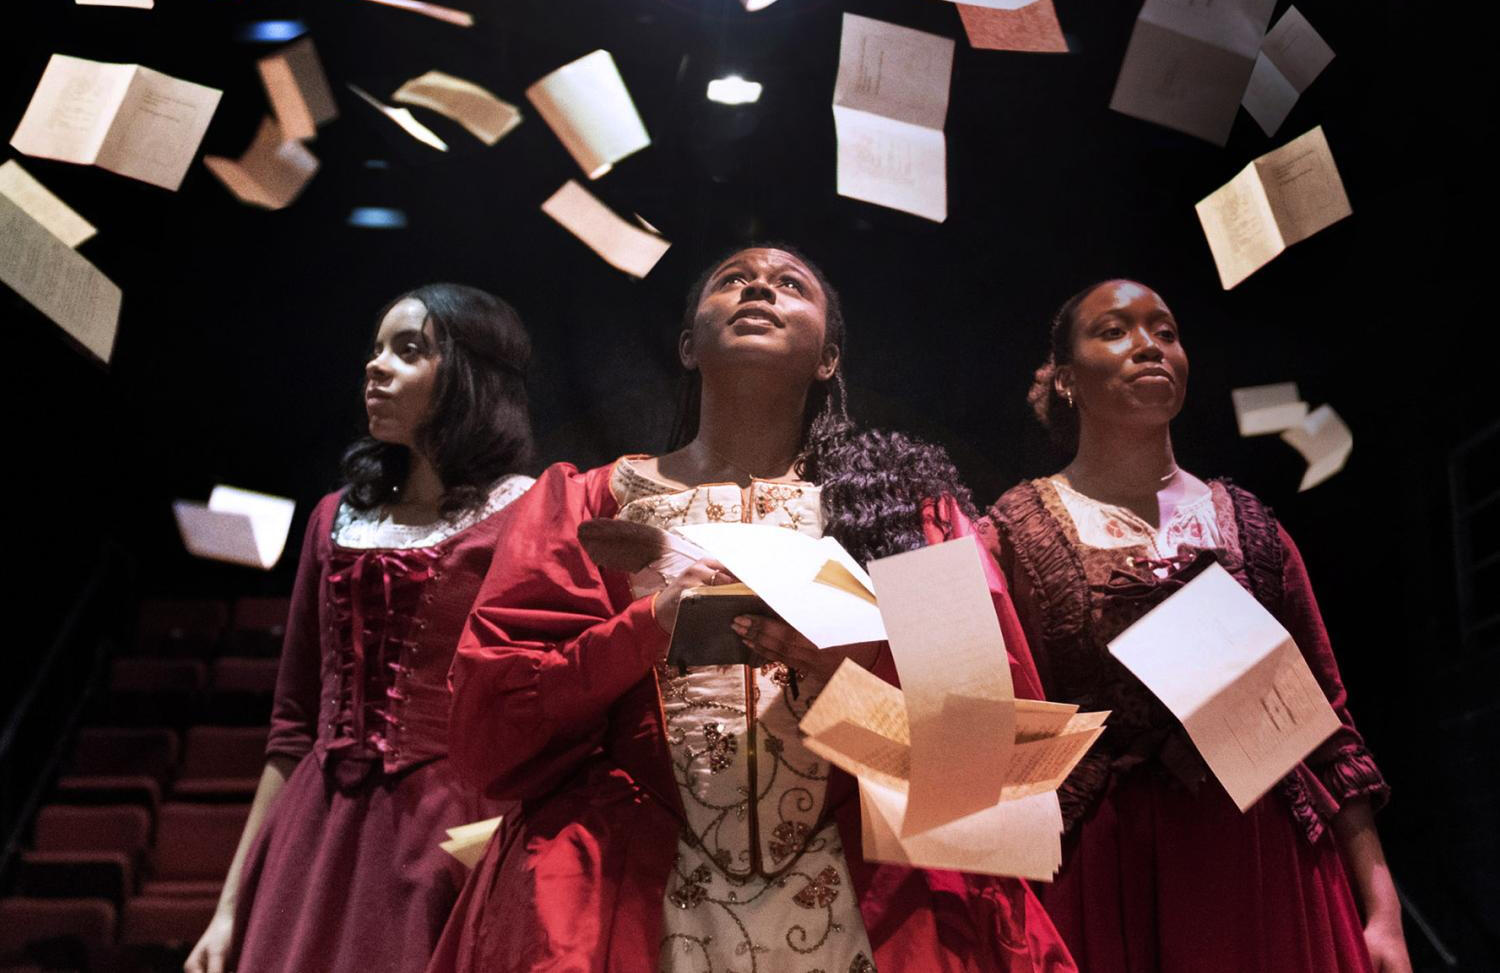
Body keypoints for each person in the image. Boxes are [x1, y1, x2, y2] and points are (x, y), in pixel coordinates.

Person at [431, 246, 1076, 973]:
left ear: (828, 357)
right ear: (686, 345)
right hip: (626, 894)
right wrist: (645, 629)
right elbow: (490, 729)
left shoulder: (906, 511)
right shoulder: (585, 503)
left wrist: (852, 685)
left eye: (790, 283)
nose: (760, 286)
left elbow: (992, 764)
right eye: (733, 279)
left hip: (870, 898)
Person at [983, 279, 1410, 973]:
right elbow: (986, 729)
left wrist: (1382, 909)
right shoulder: (1012, 532)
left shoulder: (1253, 528)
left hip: (1267, 864)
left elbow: (1328, 728)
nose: (1148, 344)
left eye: (1166, 331)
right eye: (1115, 329)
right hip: (1107, 872)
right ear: (1064, 378)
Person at [185, 284, 537, 973]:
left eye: (408, 350)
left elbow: (547, 703)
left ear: (471, 373)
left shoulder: (527, 512)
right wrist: (229, 907)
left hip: (450, 829)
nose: (376, 366)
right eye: (375, 350)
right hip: (312, 838)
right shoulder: (331, 518)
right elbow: (291, 727)